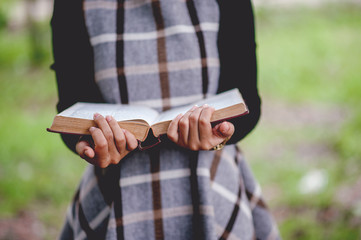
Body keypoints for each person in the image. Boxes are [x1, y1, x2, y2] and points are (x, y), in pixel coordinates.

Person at [51, 0, 280, 239]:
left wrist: (220, 134)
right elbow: (72, 105)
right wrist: (89, 143)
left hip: (211, 185)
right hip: (115, 192)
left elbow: (247, 101)